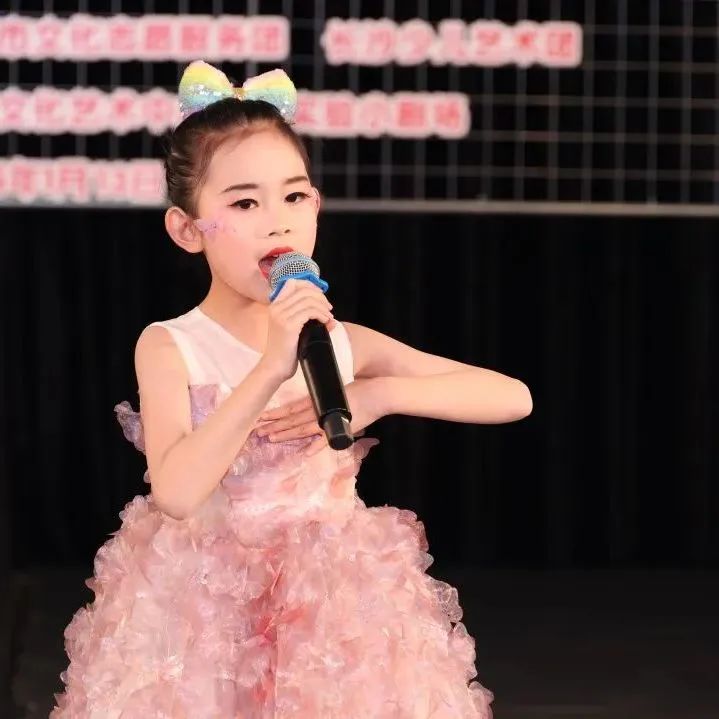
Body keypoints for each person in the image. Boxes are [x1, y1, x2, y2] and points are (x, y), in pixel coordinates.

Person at [51, 61, 532, 718]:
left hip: (332, 606)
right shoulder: (171, 344)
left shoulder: (339, 341)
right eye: (244, 203)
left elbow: (512, 397)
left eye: (295, 197)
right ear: (188, 229)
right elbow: (178, 492)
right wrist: (270, 366)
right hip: (205, 612)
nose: (278, 223)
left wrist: (379, 395)